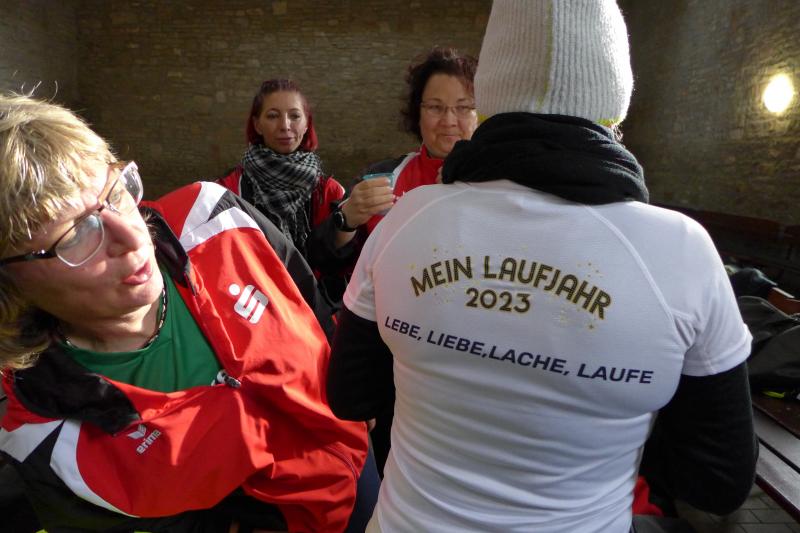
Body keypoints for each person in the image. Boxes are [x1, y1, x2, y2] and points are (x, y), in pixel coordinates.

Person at [327, 1, 758, 532]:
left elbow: (351, 395)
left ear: (489, 101)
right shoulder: (681, 249)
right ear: (614, 105)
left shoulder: (406, 217)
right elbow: (718, 482)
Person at [0, 93, 371, 532]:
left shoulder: (214, 217)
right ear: (10, 283)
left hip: (360, 468)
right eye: (77, 234)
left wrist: (353, 389)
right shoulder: (47, 437)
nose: (133, 235)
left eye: (115, 193)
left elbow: (306, 296)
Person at [218, 79, 392, 306]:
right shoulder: (229, 189)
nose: (285, 125)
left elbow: (342, 267)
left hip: (311, 309)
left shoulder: (329, 191)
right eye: (273, 116)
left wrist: (346, 223)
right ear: (257, 125)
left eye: (294, 116)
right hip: (249, 305)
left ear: (307, 123)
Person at [353, 46, 479, 234]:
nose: (449, 121)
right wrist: (346, 221)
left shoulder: (502, 182)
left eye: (463, 108)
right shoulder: (383, 177)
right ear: (417, 114)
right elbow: (327, 248)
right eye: (435, 107)